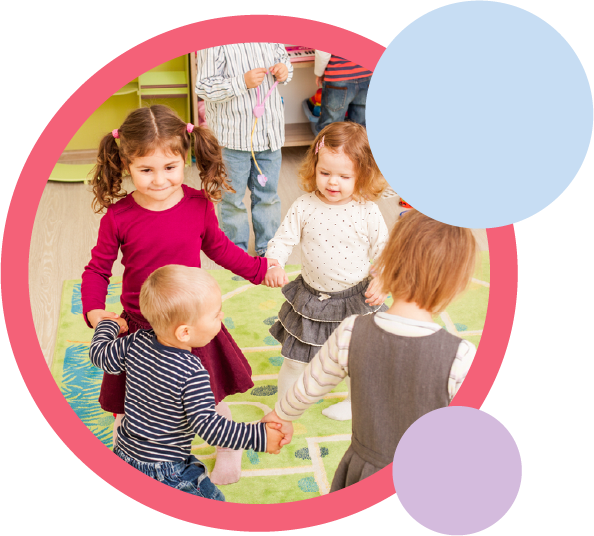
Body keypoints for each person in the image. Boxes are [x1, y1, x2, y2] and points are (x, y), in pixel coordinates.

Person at [82, 104, 278, 485]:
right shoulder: (118, 216)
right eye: (146, 170)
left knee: (209, 395)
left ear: (184, 160)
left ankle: (228, 444)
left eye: (170, 168)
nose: (159, 180)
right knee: (128, 399)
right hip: (138, 327)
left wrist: (259, 270)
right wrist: (94, 312)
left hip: (192, 322)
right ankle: (132, 453)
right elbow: (97, 270)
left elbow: (220, 249)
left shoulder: (197, 205)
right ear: (126, 166)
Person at [263, 209, 479, 491]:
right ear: (456, 286)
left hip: (360, 472)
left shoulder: (351, 331)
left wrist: (280, 417)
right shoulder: (461, 356)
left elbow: (309, 386)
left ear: (387, 262)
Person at [89, 265, 285, 500]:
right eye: (215, 315)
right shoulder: (193, 373)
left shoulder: (134, 342)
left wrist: (108, 324)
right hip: (166, 469)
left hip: (124, 452)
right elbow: (211, 428)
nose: (221, 317)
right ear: (184, 332)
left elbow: (99, 353)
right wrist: (259, 437)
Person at [263, 122, 389, 422]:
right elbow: (282, 240)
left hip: (356, 299)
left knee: (355, 360)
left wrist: (384, 279)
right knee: (294, 359)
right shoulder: (304, 205)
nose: (333, 182)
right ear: (314, 166)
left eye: (345, 176)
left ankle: (353, 402)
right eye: (325, 173)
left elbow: (384, 252)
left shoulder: (367, 210)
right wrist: (274, 262)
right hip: (311, 299)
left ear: (362, 174)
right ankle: (285, 406)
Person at [195, 43, 293, 257]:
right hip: (232, 138)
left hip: (269, 136)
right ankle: (235, 252)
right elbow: (204, 87)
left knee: (268, 196)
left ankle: (269, 250)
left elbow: (284, 60)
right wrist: (241, 82)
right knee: (232, 199)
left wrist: (284, 71)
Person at [313, 50, 373, 134]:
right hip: (367, 75)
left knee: (331, 126)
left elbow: (322, 53)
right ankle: (358, 147)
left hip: (339, 77)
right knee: (361, 126)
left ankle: (329, 147)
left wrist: (319, 73)